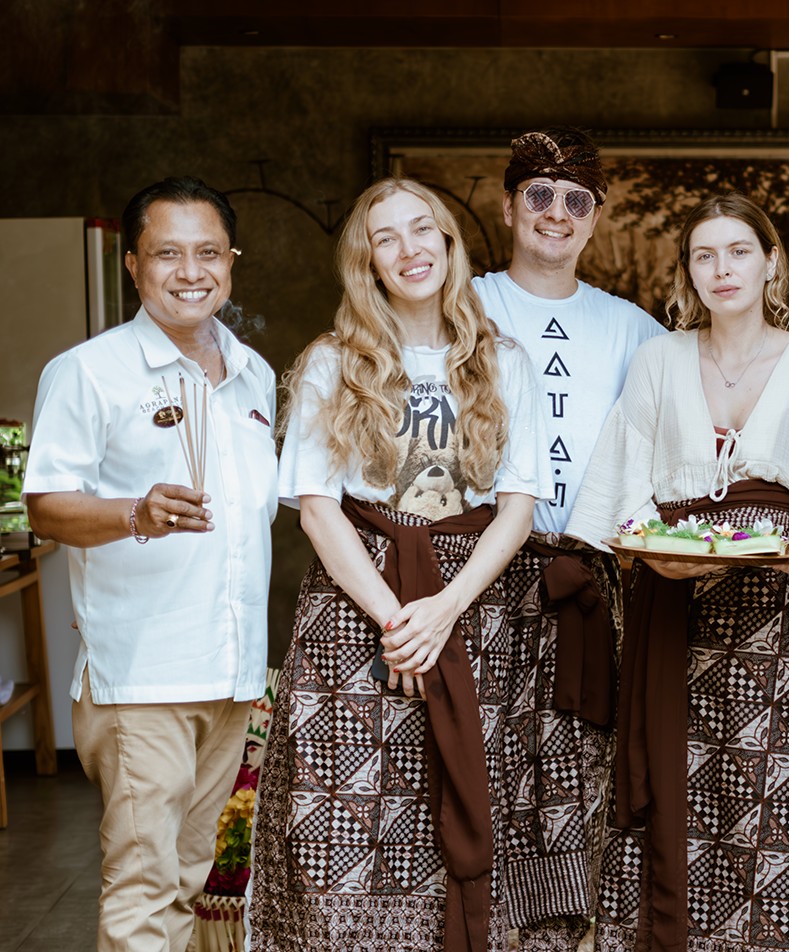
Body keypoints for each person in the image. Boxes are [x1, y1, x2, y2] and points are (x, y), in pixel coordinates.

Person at [247, 178, 552, 951]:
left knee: (463, 803)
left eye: (423, 230)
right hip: (357, 615)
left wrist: (443, 609)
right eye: (386, 238)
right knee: (345, 815)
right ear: (367, 261)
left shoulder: (502, 361)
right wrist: (398, 623)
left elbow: (517, 508)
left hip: (474, 610)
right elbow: (318, 510)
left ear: (448, 245)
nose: (409, 249)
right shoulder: (332, 363)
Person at [566, 193, 789, 952]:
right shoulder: (658, 359)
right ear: (688, 272)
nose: (722, 269)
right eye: (705, 255)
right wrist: (648, 544)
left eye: (738, 251)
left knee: (774, 786)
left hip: (777, 608)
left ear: (769, 263)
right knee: (681, 782)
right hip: (672, 596)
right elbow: (627, 476)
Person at [22, 176, 276, 952]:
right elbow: (45, 506)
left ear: (230, 260)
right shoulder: (89, 371)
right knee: (144, 887)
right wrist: (136, 513)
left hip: (230, 673)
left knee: (191, 878)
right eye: (167, 253)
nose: (190, 271)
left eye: (208, 252)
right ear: (133, 264)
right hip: (143, 677)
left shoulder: (254, 374)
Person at [472, 127, 666, 951]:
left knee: (582, 774)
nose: (557, 213)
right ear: (508, 206)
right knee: (479, 766)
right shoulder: (462, 305)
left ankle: (571, 936)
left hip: (591, 582)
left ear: (594, 218)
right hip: (475, 573)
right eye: (540, 195)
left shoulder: (633, 329)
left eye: (576, 200)